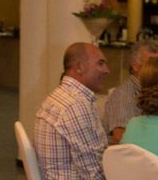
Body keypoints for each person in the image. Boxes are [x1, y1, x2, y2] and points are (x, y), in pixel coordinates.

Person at [34, 42, 110, 180]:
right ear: (80, 67)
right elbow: (93, 175)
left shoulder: (58, 97)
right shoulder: (75, 106)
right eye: (100, 63)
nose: (106, 70)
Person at [104, 39, 158, 144]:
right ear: (135, 66)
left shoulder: (156, 92)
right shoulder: (123, 94)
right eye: (151, 64)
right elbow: (119, 137)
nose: (157, 69)